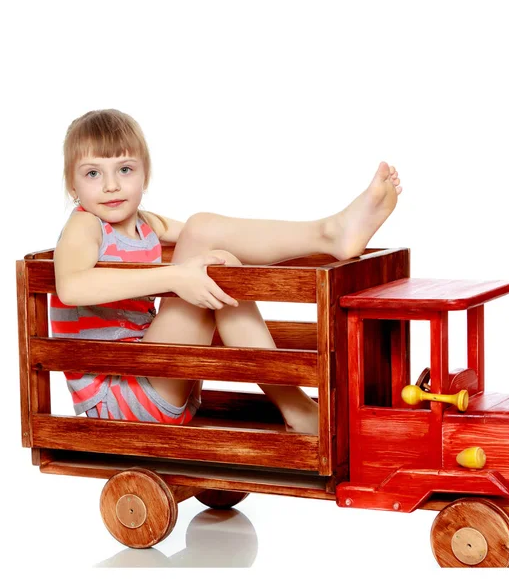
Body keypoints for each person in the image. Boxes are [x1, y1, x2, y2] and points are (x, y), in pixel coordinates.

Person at [50, 109, 402, 434]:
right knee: (207, 245)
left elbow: (208, 235)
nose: (111, 185)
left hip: (166, 380)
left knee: (214, 252)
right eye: (93, 173)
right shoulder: (85, 226)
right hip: (122, 396)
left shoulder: (143, 224)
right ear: (72, 185)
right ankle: (328, 235)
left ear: (145, 175)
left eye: (125, 170)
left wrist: (197, 267)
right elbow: (71, 286)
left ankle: (328, 233)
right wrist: (174, 276)